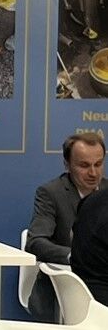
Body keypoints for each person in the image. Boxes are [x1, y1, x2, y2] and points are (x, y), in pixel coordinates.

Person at [26, 131, 105, 317]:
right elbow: (35, 242)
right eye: (84, 165)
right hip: (59, 292)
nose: (93, 173)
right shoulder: (51, 193)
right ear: (67, 164)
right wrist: (75, 257)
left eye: (98, 164)